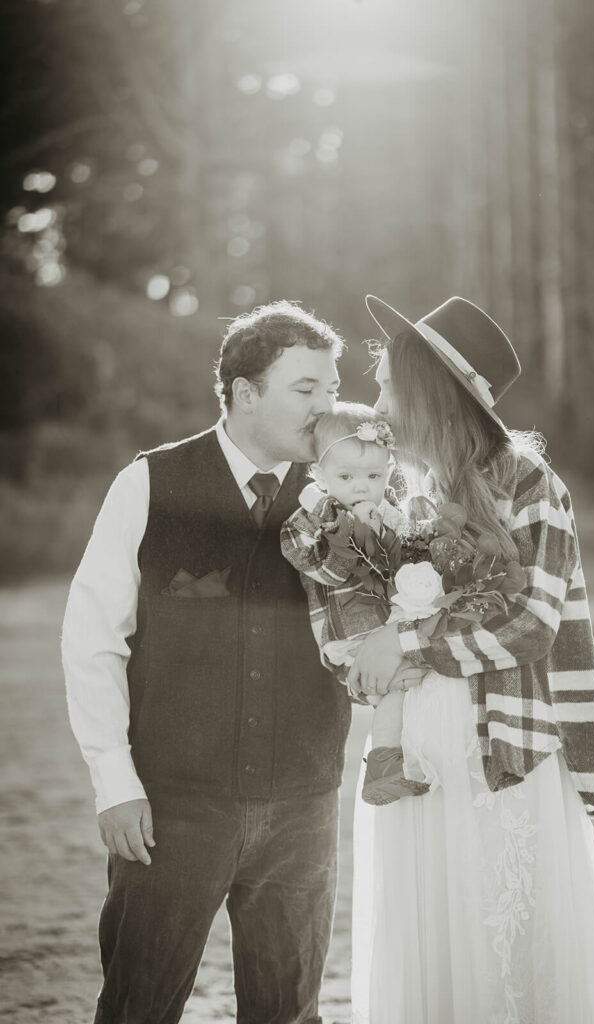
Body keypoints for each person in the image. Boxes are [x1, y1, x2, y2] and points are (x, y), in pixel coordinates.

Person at [348, 294, 594, 1024]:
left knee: (501, 932)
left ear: (427, 390)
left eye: (384, 383)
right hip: (416, 739)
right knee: (429, 921)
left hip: (500, 744)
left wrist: (403, 642)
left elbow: (532, 625)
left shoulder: (531, 485)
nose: (373, 397)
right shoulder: (406, 496)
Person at [61, 300, 351, 1024]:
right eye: (306, 389)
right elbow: (92, 637)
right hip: (170, 808)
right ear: (244, 392)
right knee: (138, 1006)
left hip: (302, 808)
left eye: (331, 389)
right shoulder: (149, 484)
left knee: (288, 1014)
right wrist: (114, 781)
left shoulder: (344, 496)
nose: (326, 408)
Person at [280, 402, 429, 805]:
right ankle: (383, 768)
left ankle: (399, 766)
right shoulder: (308, 521)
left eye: (374, 476)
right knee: (397, 689)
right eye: (346, 476)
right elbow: (320, 570)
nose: (361, 487)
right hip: (348, 633)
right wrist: (350, 533)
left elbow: (411, 568)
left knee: (415, 686)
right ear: (319, 475)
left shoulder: (391, 514)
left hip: (387, 627)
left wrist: (403, 542)